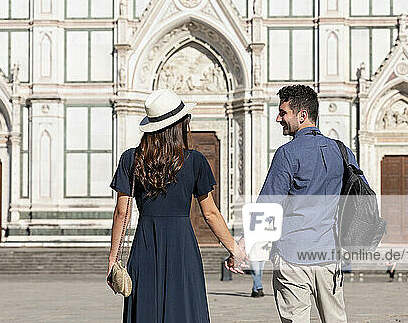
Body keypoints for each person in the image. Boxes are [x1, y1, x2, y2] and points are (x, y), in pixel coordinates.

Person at [107, 89, 247, 323]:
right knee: (183, 309)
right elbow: (210, 214)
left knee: (146, 308)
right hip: (182, 247)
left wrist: (112, 260)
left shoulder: (131, 158)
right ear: (181, 124)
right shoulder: (195, 160)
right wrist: (235, 250)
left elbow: (122, 212)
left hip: (145, 243)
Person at [253, 85, 369, 323]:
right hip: (328, 255)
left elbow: (268, 204)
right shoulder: (342, 151)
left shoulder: (286, 153)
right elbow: (360, 196)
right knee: (336, 319)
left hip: (292, 256)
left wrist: (245, 247)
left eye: (283, 113)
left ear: (302, 115)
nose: (278, 118)